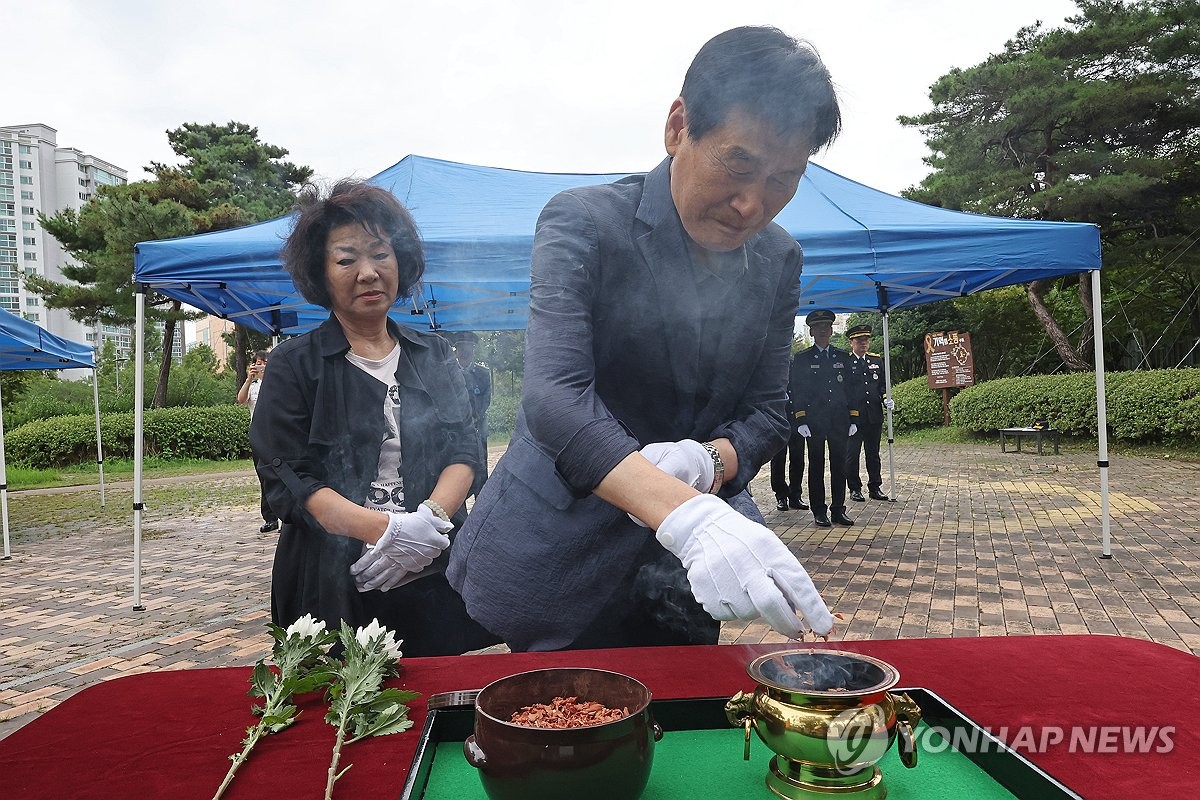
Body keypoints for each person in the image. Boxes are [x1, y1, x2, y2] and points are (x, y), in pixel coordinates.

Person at [449, 26, 840, 652]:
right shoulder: (586, 220)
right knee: (563, 722)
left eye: (784, 178)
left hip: (684, 569)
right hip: (559, 546)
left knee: (683, 711)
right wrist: (682, 511)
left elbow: (767, 413)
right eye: (739, 163)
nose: (751, 204)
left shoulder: (778, 258)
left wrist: (710, 461)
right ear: (678, 126)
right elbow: (555, 397)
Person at [249, 180, 499, 657]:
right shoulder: (294, 365)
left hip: (431, 565)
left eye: (380, 254)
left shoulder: (434, 353)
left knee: (434, 694)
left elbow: (465, 448)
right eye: (346, 259)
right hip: (332, 577)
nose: (368, 272)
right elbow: (288, 477)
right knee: (341, 702)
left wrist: (429, 522)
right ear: (321, 273)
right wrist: (385, 531)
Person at [791, 309, 858, 528]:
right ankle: (819, 510)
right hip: (814, 422)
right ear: (811, 331)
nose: (822, 330)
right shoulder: (802, 359)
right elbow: (797, 390)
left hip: (839, 421)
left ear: (831, 330)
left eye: (825, 326)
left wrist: (854, 418)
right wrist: (800, 419)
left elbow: (852, 389)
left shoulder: (842, 357)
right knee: (816, 466)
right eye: (817, 327)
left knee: (840, 466)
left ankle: (838, 509)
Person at [844, 324, 894, 502]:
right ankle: (855, 488)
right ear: (851, 342)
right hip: (854, 417)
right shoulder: (846, 362)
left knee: (873, 453)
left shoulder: (876, 360)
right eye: (859, 340)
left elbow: (882, 384)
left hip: (873, 414)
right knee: (852, 455)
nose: (863, 343)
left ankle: (875, 486)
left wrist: (886, 397)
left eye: (865, 340)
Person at [237, 349, 279, 533]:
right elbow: (241, 399)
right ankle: (270, 518)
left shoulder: (279, 384)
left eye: (264, 362)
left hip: (278, 436)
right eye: (257, 362)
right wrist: (248, 379)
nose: (260, 365)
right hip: (259, 437)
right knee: (264, 477)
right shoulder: (253, 386)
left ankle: (287, 518)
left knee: (281, 477)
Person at [452, 332, 492, 497]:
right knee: (457, 468)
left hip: (478, 429)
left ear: (474, 350)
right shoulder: (450, 372)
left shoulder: (483, 373)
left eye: (469, 347)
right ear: (456, 350)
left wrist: (475, 417)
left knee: (481, 469)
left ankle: (481, 509)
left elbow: (485, 400)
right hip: (456, 430)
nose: (466, 351)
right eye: (462, 347)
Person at [769, 356, 808, 511]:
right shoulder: (772, 364)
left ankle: (795, 495)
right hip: (778, 418)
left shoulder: (797, 363)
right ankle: (781, 495)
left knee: (798, 458)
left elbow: (802, 389)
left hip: (796, 416)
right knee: (778, 459)